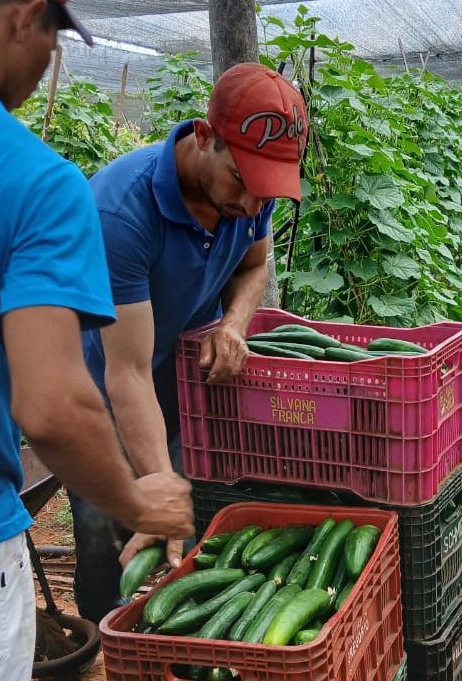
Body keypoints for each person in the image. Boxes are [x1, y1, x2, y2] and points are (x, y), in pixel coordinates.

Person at [0, 1, 194, 678]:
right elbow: (54, 406)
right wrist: (138, 500)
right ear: (25, 15)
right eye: (56, 40)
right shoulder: (37, 183)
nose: (49, 63)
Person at [72, 62, 310, 624]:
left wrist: (233, 324)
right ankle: (104, 636)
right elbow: (125, 373)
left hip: (178, 380)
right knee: (108, 529)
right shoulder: (119, 214)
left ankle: (171, 633)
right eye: (243, 184)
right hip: (100, 388)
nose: (255, 206)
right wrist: (153, 486)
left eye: (267, 191)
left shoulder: (254, 189)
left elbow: (255, 265)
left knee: (185, 514)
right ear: (204, 138)